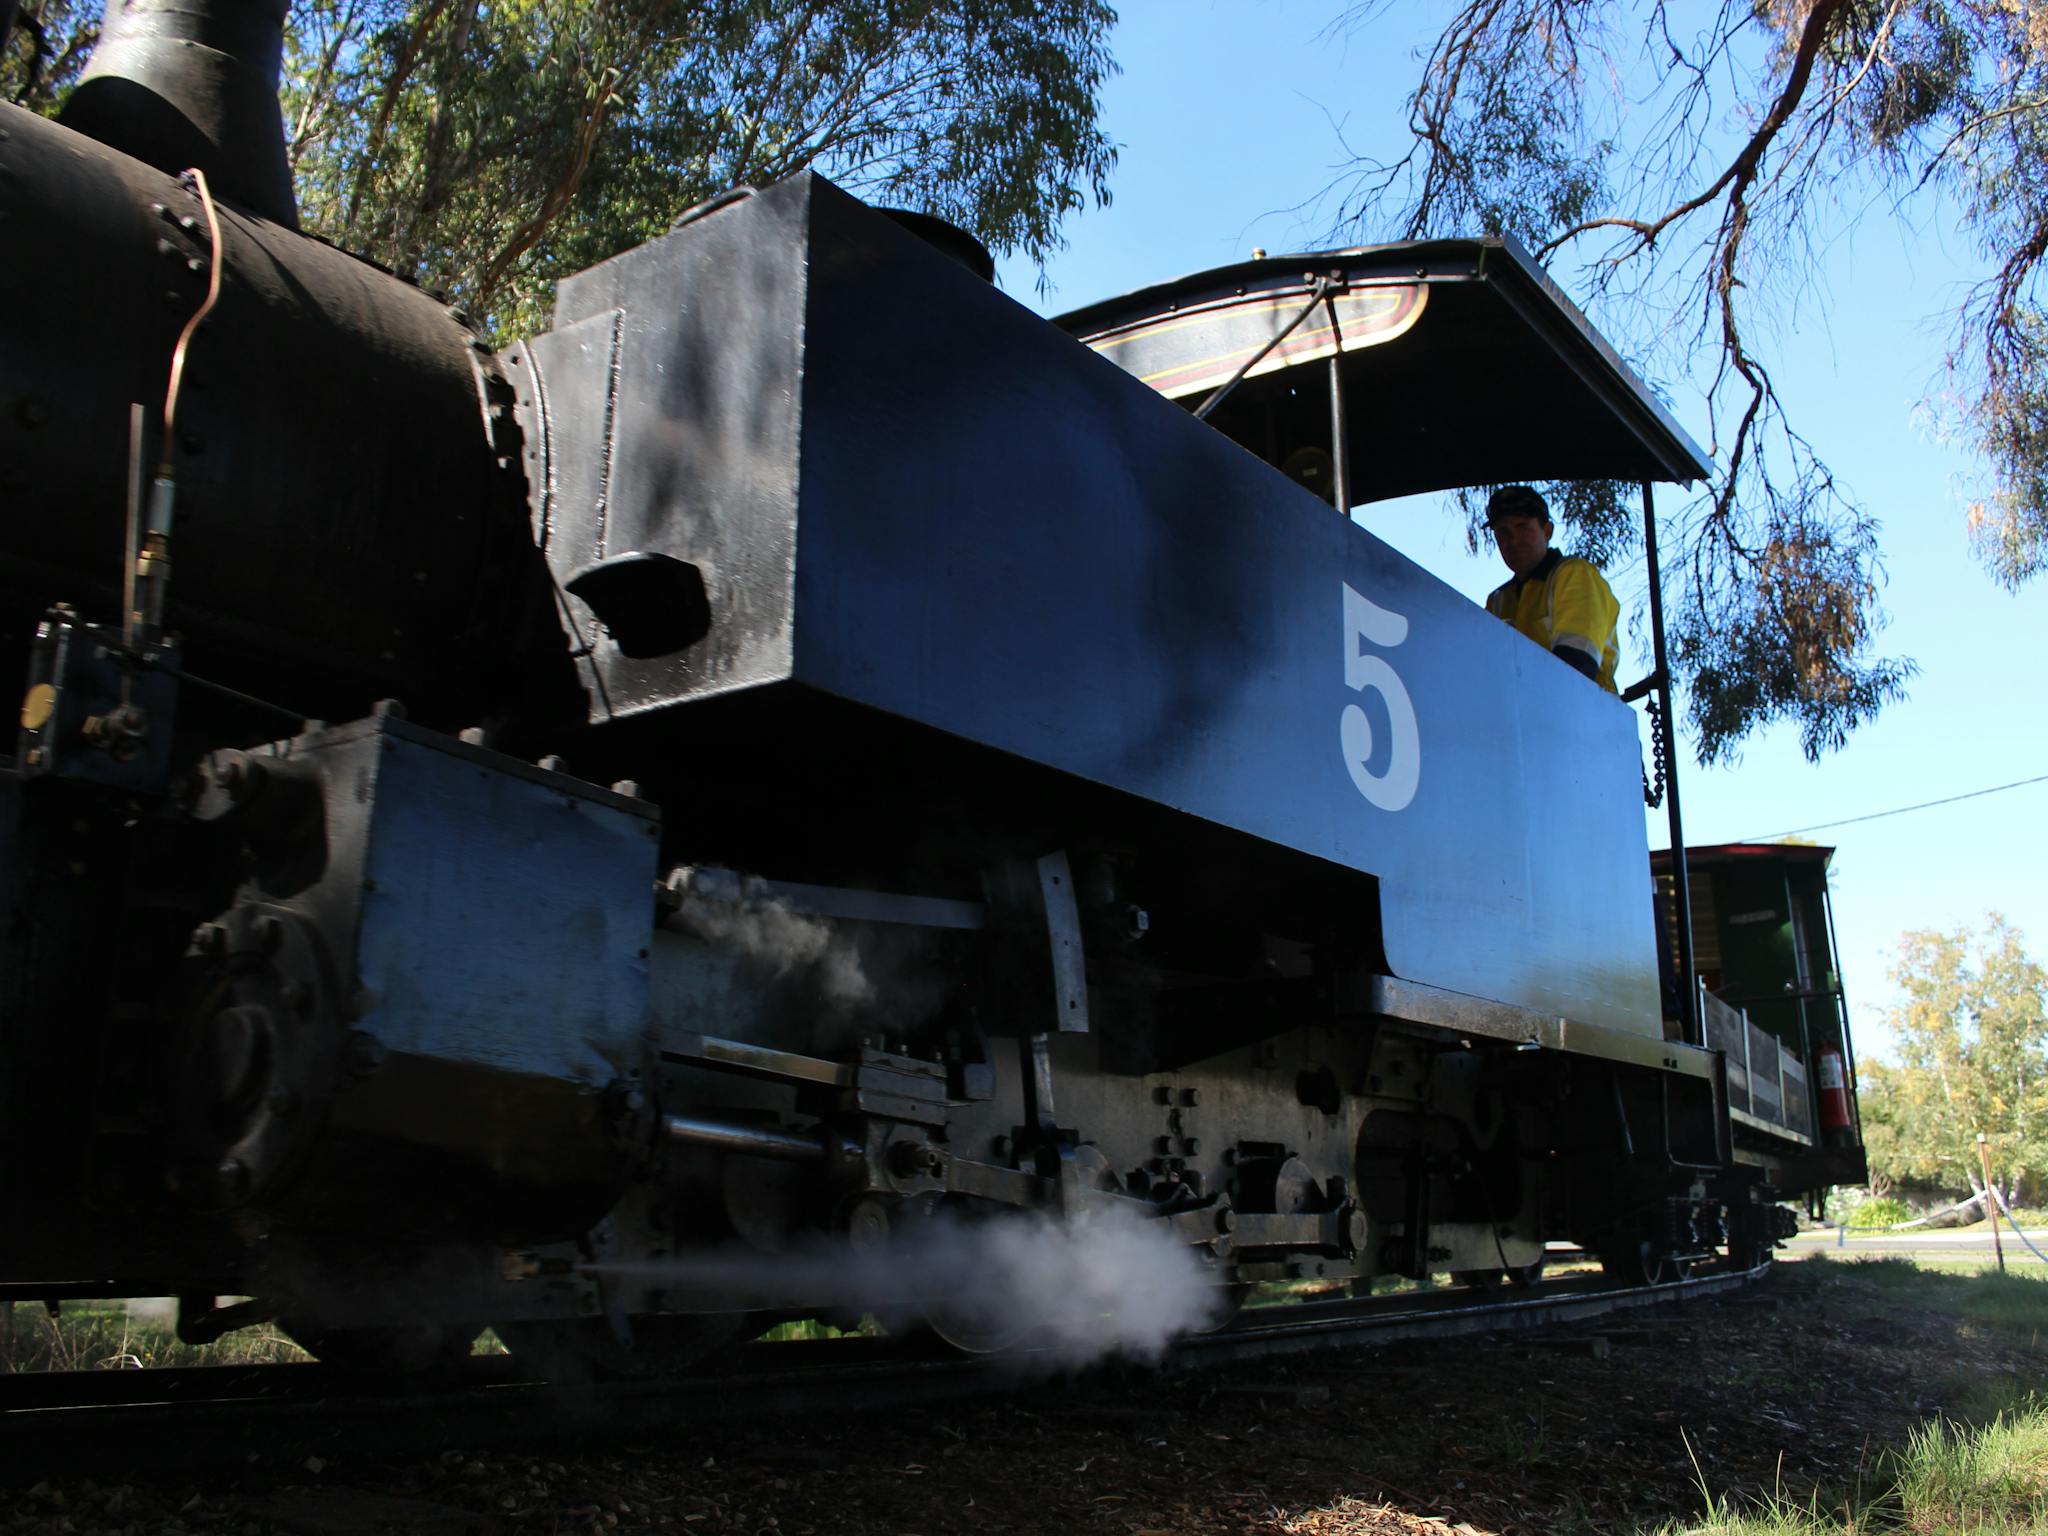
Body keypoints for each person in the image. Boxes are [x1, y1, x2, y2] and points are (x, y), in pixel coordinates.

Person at [1481, 485, 1620, 692]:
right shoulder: (1498, 600)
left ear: (1547, 531)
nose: (1513, 540)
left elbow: (1576, 668)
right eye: (1503, 531)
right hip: (1520, 708)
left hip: (1584, 708)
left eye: (1522, 527)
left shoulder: (1574, 574)